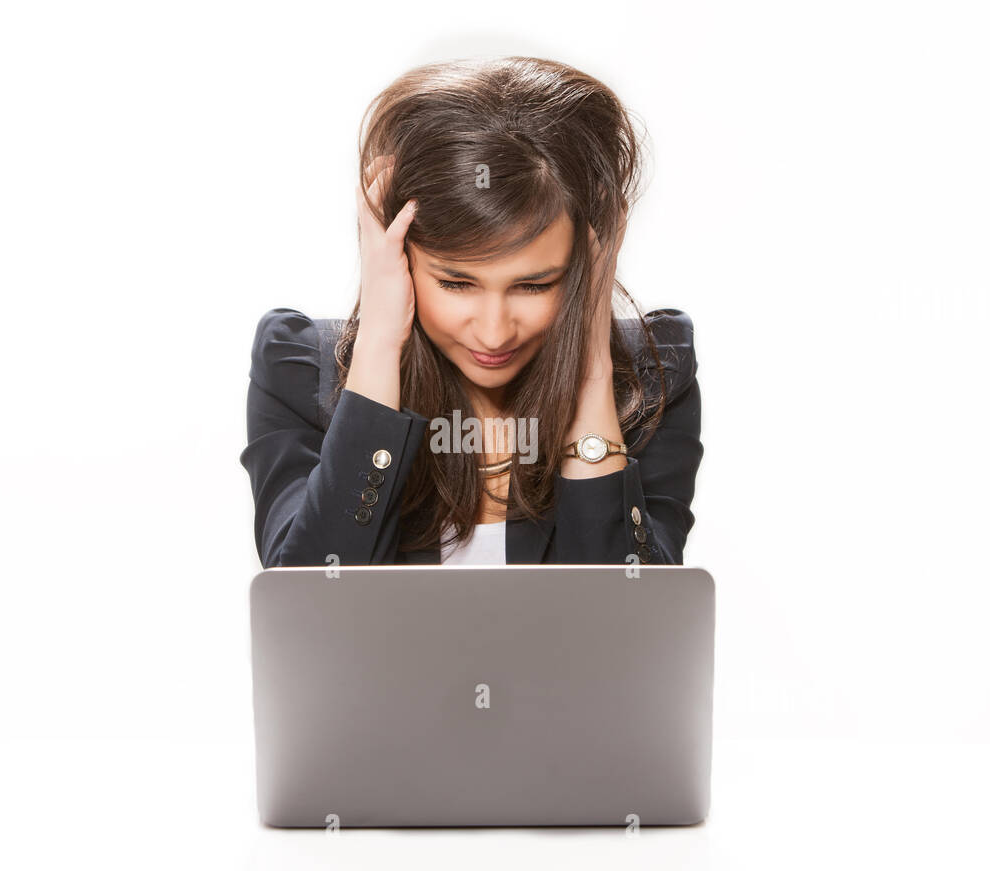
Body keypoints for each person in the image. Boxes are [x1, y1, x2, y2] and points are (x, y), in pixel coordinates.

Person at [240, 56, 703, 567]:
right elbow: (305, 608)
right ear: (399, 255)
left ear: (583, 265)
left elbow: (634, 626)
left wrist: (591, 370)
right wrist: (378, 348)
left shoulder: (653, 377)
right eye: (456, 283)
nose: (493, 331)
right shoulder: (301, 371)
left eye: (533, 284)